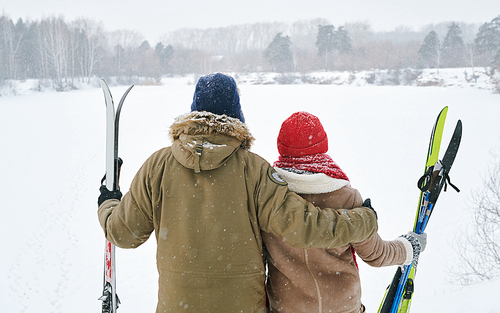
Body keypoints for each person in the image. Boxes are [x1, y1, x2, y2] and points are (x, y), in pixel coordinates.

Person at [97, 73, 378, 313]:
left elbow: (123, 233)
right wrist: (363, 220)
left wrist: (108, 202)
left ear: (193, 111)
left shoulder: (157, 166)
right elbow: (305, 226)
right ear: (236, 114)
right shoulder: (254, 171)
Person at [263, 111, 427, 313]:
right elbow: (376, 254)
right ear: (323, 144)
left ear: (281, 147)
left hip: (288, 307)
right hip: (341, 306)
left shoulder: (268, 199)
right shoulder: (345, 197)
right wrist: (409, 248)